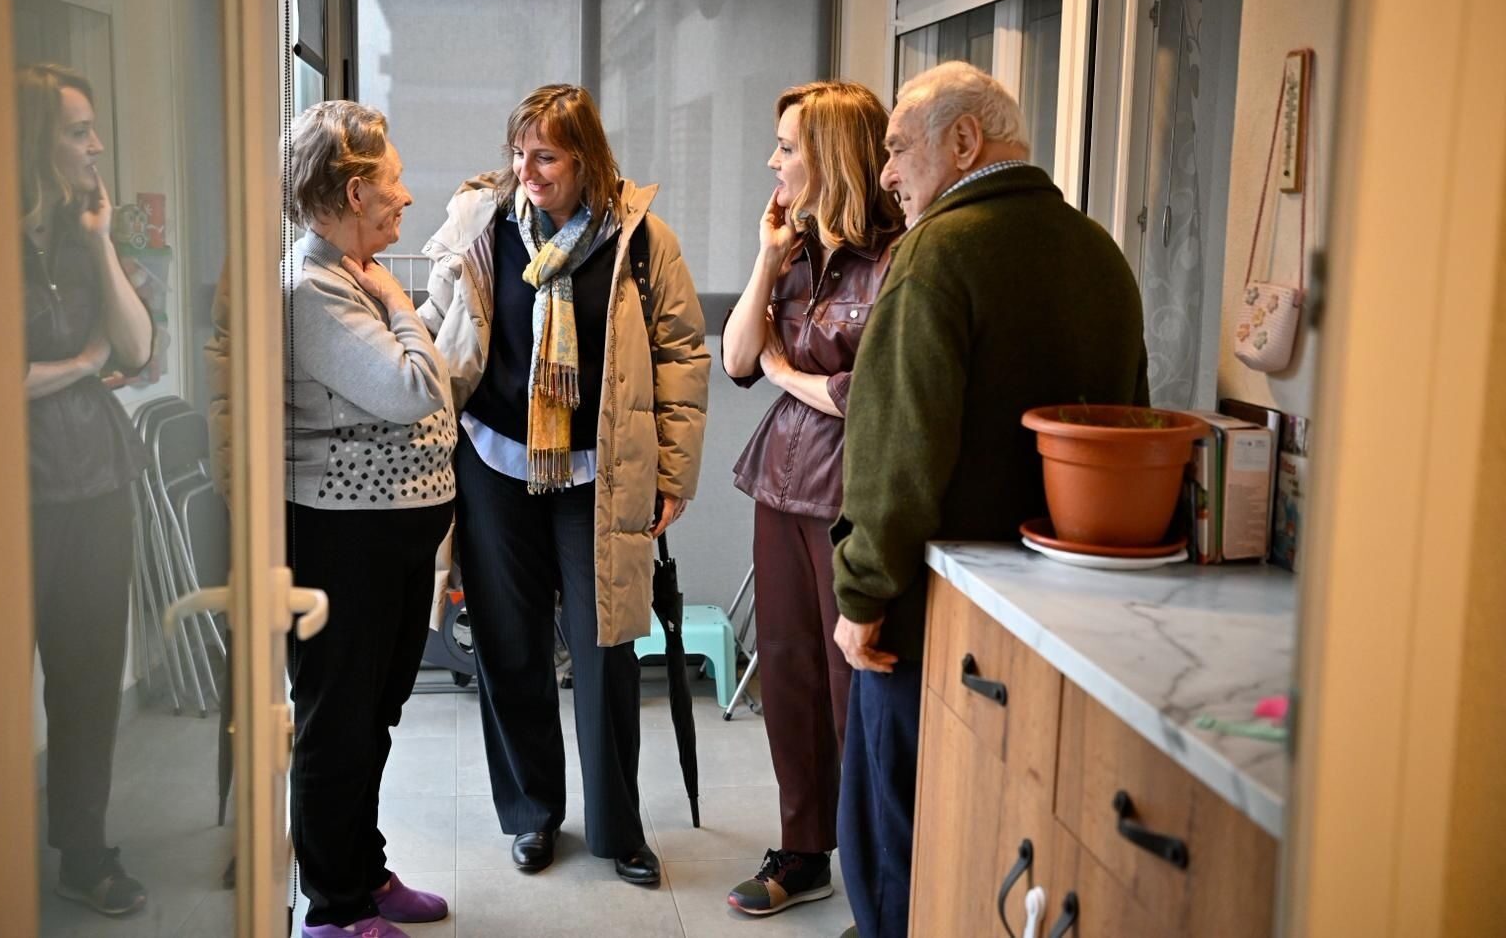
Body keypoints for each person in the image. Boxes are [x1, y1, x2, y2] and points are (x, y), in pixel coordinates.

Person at [829, 62, 1150, 938]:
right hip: (1057, 616)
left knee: (893, 844)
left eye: (898, 149)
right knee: (983, 839)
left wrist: (861, 594)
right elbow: (1130, 428)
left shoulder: (937, 255)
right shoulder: (1100, 254)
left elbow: (898, 457)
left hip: (928, 614)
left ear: (965, 141)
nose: (887, 175)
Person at [418, 84, 709, 886]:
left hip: (598, 475)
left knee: (606, 645)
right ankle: (532, 814)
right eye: (519, 153)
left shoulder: (640, 242)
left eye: (545, 155)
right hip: (493, 463)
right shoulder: (481, 224)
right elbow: (435, 326)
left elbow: (682, 355)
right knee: (509, 645)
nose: (527, 170)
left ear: (585, 158)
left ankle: (618, 828)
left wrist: (673, 472)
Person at [719, 81, 903, 917]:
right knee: (788, 672)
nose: (774, 161)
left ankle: (875, 873)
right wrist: (765, 258)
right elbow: (737, 361)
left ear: (830, 156)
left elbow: (868, 395)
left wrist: (789, 375)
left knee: (848, 684)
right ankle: (803, 852)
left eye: (788, 147)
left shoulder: (898, 258)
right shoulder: (795, 254)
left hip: (851, 492)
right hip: (782, 483)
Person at [283, 100, 456, 938]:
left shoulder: (350, 276)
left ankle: (365, 870)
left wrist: (386, 298)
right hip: (341, 539)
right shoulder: (315, 288)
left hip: (385, 536)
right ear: (355, 192)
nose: (406, 195)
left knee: (372, 717)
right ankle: (334, 908)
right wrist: (397, 300)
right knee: (338, 723)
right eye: (394, 179)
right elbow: (414, 387)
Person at [19, 63, 154, 917]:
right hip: (13, 497)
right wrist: (79, 363)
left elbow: (136, 349)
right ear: (37, 140)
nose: (97, 145)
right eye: (78, 131)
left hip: (99, 485)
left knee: (89, 681)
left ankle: (82, 851)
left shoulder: (81, 235)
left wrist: (102, 241)